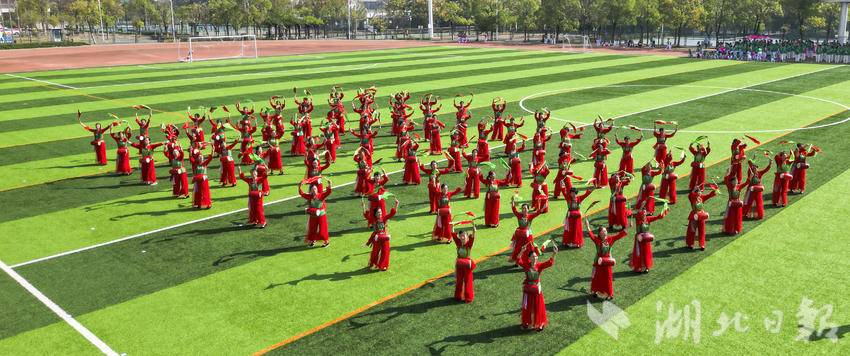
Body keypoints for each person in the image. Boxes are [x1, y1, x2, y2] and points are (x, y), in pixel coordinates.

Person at [518, 243, 557, 331]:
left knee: (537, 308)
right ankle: (530, 323)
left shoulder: (539, 265)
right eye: (533, 256)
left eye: (536, 256)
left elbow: (549, 263)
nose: (535, 258)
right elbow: (518, 260)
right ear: (529, 258)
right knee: (528, 308)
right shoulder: (526, 265)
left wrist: (554, 253)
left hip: (536, 290)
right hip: (528, 290)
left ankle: (538, 324)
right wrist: (522, 250)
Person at [587, 220, 628, 300]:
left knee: (608, 278)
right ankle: (595, 291)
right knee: (597, 277)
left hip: (607, 263)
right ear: (599, 234)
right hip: (599, 262)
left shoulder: (610, 239)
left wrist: (628, 227)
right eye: (603, 231)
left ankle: (609, 294)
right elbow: (591, 235)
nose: (605, 233)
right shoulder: (597, 240)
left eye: (605, 231)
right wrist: (588, 226)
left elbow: (619, 235)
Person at [629, 204, 669, 273]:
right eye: (643, 212)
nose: (644, 213)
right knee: (639, 253)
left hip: (646, 239)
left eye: (645, 212)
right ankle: (639, 267)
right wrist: (641, 206)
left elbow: (658, 217)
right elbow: (637, 214)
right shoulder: (638, 219)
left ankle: (646, 267)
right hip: (639, 238)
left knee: (646, 253)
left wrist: (665, 210)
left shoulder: (648, 219)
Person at [365, 199, 399, 271]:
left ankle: (383, 265)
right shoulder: (373, 219)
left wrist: (396, 204)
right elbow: (366, 216)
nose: (380, 214)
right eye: (378, 213)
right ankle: (373, 263)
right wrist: (365, 208)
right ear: (375, 214)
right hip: (376, 238)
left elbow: (392, 214)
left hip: (384, 237)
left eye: (380, 212)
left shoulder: (384, 218)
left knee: (385, 251)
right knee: (375, 252)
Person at [299, 178, 333, 247]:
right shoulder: (310, 196)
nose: (314, 190)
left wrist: (330, 184)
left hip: (321, 214)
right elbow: (302, 194)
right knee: (312, 228)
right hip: (313, 215)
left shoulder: (321, 195)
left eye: (315, 189)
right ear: (311, 191)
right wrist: (299, 186)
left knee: (323, 229)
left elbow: (328, 192)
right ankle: (312, 241)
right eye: (313, 189)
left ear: (317, 189)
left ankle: (326, 242)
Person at [685, 184, 719, 250]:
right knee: (692, 230)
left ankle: (702, 245)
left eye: (700, 191)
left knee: (702, 230)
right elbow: (690, 195)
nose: (700, 192)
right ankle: (690, 244)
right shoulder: (692, 198)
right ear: (696, 192)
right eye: (699, 191)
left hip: (701, 214)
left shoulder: (701, 198)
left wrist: (715, 189)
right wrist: (694, 190)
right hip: (694, 215)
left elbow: (709, 195)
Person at [453, 225, 477, 303]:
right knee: (459, 281)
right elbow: (453, 233)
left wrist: (474, 231)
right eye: (461, 236)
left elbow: (473, 237)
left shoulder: (469, 244)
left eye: (464, 236)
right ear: (459, 237)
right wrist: (451, 226)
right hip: (460, 264)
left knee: (468, 281)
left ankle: (469, 297)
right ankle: (458, 296)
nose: (462, 237)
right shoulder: (458, 242)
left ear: (467, 236)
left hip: (467, 265)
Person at [722, 171, 748, 236]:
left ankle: (736, 229)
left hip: (738, 204)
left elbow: (746, 183)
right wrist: (727, 173)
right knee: (730, 217)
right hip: (731, 204)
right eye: (734, 181)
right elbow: (725, 180)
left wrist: (750, 177)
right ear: (731, 182)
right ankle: (729, 229)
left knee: (737, 217)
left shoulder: (739, 186)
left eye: (736, 181)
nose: (735, 182)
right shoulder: (729, 187)